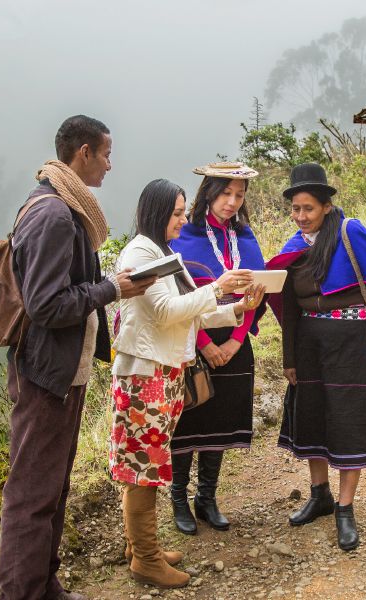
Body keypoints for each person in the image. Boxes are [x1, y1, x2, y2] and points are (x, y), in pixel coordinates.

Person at [0, 115, 156, 600]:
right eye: (106, 154)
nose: (110, 165)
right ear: (83, 152)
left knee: (52, 487)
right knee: (31, 496)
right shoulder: (53, 216)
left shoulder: (65, 208)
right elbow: (46, 305)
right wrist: (113, 288)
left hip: (62, 371)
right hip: (47, 374)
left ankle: (46, 584)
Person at [110, 178, 265, 588]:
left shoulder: (160, 252)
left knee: (148, 462)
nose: (183, 219)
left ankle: (140, 547)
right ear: (159, 212)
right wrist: (217, 288)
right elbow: (164, 312)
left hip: (163, 371)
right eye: (177, 213)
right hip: (146, 374)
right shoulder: (141, 252)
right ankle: (145, 558)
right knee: (144, 467)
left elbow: (187, 313)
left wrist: (234, 310)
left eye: (183, 212)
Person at [266, 163, 366, 552]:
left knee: (348, 420)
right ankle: (320, 495)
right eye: (295, 209)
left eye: (308, 208)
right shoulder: (294, 248)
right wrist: (289, 357)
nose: (301, 216)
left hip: (351, 347)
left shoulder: (350, 233)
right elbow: (289, 306)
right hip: (310, 347)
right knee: (313, 419)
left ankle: (345, 509)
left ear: (326, 206)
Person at [166, 162, 265, 535]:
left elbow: (260, 298)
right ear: (208, 193)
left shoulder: (245, 238)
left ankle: (206, 498)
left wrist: (237, 339)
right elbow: (178, 296)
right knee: (187, 420)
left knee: (220, 422)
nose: (232, 202)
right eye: (225, 194)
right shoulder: (184, 237)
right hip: (194, 347)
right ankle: (178, 498)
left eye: (239, 196)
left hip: (236, 344)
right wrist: (206, 346)